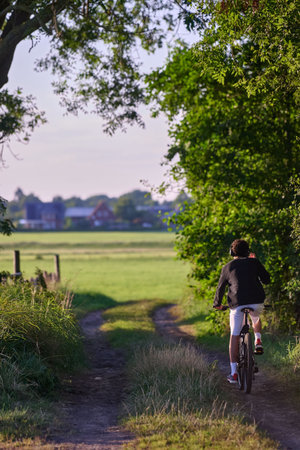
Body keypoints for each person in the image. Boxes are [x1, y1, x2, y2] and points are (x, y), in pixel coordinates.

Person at [213, 239, 270, 384]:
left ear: (232, 252)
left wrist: (217, 305)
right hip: (257, 301)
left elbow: (220, 288)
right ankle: (258, 340)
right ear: (248, 251)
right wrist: (255, 262)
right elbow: (267, 280)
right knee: (255, 318)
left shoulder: (227, 267)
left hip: (237, 304)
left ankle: (234, 374)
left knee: (234, 335)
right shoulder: (254, 262)